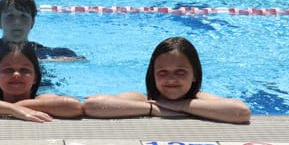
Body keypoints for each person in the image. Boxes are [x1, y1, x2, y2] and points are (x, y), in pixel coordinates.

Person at [83, 37, 251, 123]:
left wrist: (180, 106)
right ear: (153, 75)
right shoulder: (143, 99)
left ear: (194, 75)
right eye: (163, 72)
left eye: (180, 72)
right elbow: (92, 105)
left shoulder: (200, 98)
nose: (171, 79)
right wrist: (153, 109)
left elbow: (241, 112)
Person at [0, 42, 83, 122]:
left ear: (35, 78)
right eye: (8, 70)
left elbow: (74, 106)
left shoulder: (41, 99)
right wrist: (13, 109)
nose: (16, 75)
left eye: (24, 70)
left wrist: (19, 106)